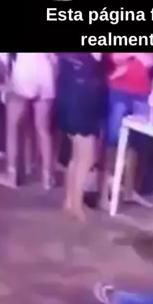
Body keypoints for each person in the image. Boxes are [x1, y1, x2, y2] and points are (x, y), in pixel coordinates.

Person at [100, 52, 153, 208]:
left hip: (142, 92)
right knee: (112, 141)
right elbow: (114, 58)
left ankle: (129, 191)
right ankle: (104, 194)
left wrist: (137, 58)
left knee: (136, 143)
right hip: (120, 90)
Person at [54, 52, 108, 220]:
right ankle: (76, 206)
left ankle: (69, 201)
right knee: (87, 157)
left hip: (66, 94)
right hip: (82, 99)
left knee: (76, 155)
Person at [0, 53, 56, 189]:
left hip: (25, 70)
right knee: (43, 129)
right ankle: (47, 177)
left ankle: (12, 174)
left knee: (13, 126)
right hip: (45, 71)